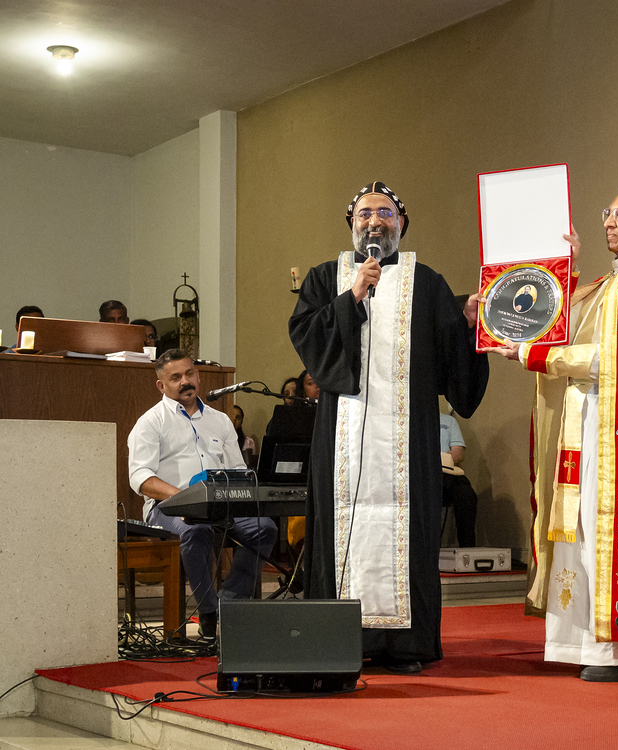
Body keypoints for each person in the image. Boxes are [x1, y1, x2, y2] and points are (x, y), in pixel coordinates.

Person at [488, 180, 618, 681]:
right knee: (579, 529)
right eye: (608, 212)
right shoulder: (615, 280)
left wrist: (536, 355)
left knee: (606, 525)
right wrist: (563, 270)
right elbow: (570, 325)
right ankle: (587, 642)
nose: (609, 222)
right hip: (590, 420)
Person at [289, 180, 489, 674]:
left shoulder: (428, 283)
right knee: (339, 530)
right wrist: (353, 295)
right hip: (341, 437)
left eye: (385, 213)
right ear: (351, 223)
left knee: (410, 529)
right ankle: (339, 639)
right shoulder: (325, 277)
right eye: (365, 213)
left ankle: (406, 646)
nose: (374, 221)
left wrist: (467, 325)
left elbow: (451, 359)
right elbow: (308, 338)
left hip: (408, 441)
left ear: (401, 223)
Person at [127, 349, 277, 640]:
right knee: (196, 531)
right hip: (168, 507)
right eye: (176, 377)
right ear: (161, 386)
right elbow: (141, 478)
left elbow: (237, 469)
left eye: (189, 373)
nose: (185, 381)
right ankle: (208, 610)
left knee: (265, 527)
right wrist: (185, 499)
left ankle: (229, 603)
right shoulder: (151, 422)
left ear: (198, 375)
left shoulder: (220, 420)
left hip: (220, 503)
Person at [439, 411, 479, 548]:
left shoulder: (449, 421)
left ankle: (467, 548)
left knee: (466, 494)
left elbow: (458, 454)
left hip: (447, 472)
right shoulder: (411, 420)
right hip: (423, 476)